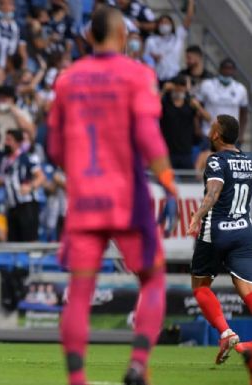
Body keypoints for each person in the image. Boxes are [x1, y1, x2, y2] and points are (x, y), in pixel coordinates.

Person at [46, 8, 179, 385]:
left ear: (89, 36)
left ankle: (77, 380)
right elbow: (148, 135)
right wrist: (167, 176)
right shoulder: (138, 75)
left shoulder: (68, 80)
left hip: (84, 201)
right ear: (122, 34)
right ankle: (137, 363)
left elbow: (54, 147)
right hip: (128, 200)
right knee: (152, 279)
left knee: (81, 290)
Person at [187, 115, 252, 367]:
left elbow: (213, 192)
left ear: (216, 135)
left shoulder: (216, 160)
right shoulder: (248, 160)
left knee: (200, 285)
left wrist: (197, 216)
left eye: (213, 127)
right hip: (244, 231)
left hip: (217, 230)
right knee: (246, 289)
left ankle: (226, 333)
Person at [0, 129, 45, 242]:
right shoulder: (5, 160)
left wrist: (30, 187)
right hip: (12, 205)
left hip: (27, 204)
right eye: (6, 139)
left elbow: (41, 177)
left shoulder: (27, 157)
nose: (6, 143)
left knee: (29, 239)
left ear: (18, 142)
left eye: (9, 140)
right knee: (13, 241)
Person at [160, 75, 210, 169]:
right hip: (167, 152)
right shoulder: (165, 103)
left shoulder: (190, 103)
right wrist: (163, 91)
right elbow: (152, 107)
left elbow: (208, 118)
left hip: (186, 151)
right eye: (176, 86)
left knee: (188, 181)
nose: (179, 89)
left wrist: (198, 106)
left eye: (182, 86)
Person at [198, 58, 249, 143]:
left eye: (230, 69)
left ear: (234, 71)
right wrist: (198, 128)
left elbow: (244, 113)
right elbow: (198, 107)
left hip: (231, 137)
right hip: (208, 134)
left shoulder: (241, 89)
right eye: (225, 68)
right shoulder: (207, 85)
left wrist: (241, 134)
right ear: (220, 69)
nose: (227, 71)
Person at [143, 0, 194, 83]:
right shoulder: (151, 40)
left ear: (171, 25)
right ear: (157, 26)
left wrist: (191, 2)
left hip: (174, 77)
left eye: (167, 22)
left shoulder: (177, 36)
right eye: (161, 23)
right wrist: (153, 58)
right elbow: (145, 60)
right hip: (157, 79)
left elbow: (188, 19)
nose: (164, 25)